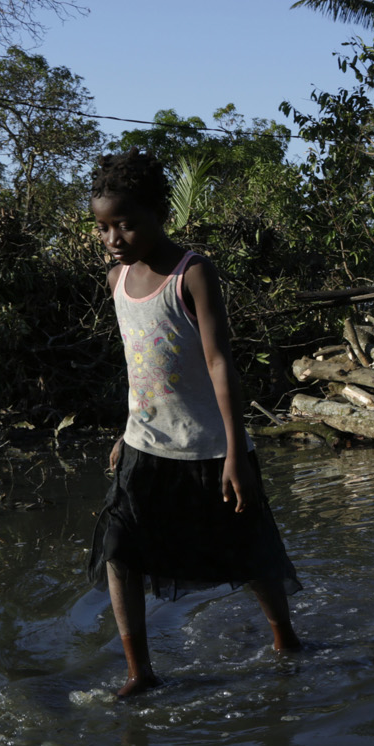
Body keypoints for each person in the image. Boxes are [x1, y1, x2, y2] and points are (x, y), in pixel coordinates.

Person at [87, 148, 302, 697]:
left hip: (210, 448)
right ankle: (140, 672)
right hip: (145, 445)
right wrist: (126, 428)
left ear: (160, 213)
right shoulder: (116, 280)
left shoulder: (193, 273)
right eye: (104, 227)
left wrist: (236, 451)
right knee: (118, 549)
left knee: (252, 554)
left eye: (127, 224)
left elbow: (218, 362)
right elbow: (140, 366)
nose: (114, 238)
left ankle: (285, 640)